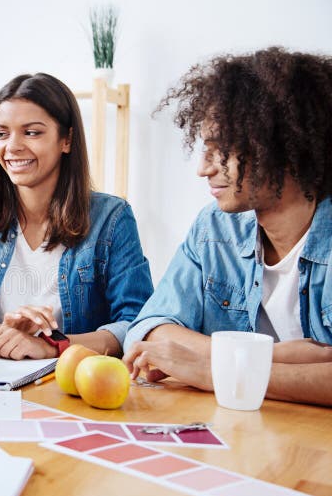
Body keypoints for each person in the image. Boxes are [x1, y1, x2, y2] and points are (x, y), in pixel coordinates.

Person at [123, 47, 332, 406]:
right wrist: (281, 358)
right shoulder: (215, 228)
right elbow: (149, 330)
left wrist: (213, 371)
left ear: (279, 147)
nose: (203, 169)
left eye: (220, 150)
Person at [0, 73, 153, 361]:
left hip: (71, 387)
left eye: (31, 132)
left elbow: (135, 324)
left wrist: (52, 346)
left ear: (66, 139)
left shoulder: (112, 219)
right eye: (2, 133)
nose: (13, 146)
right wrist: (1, 335)